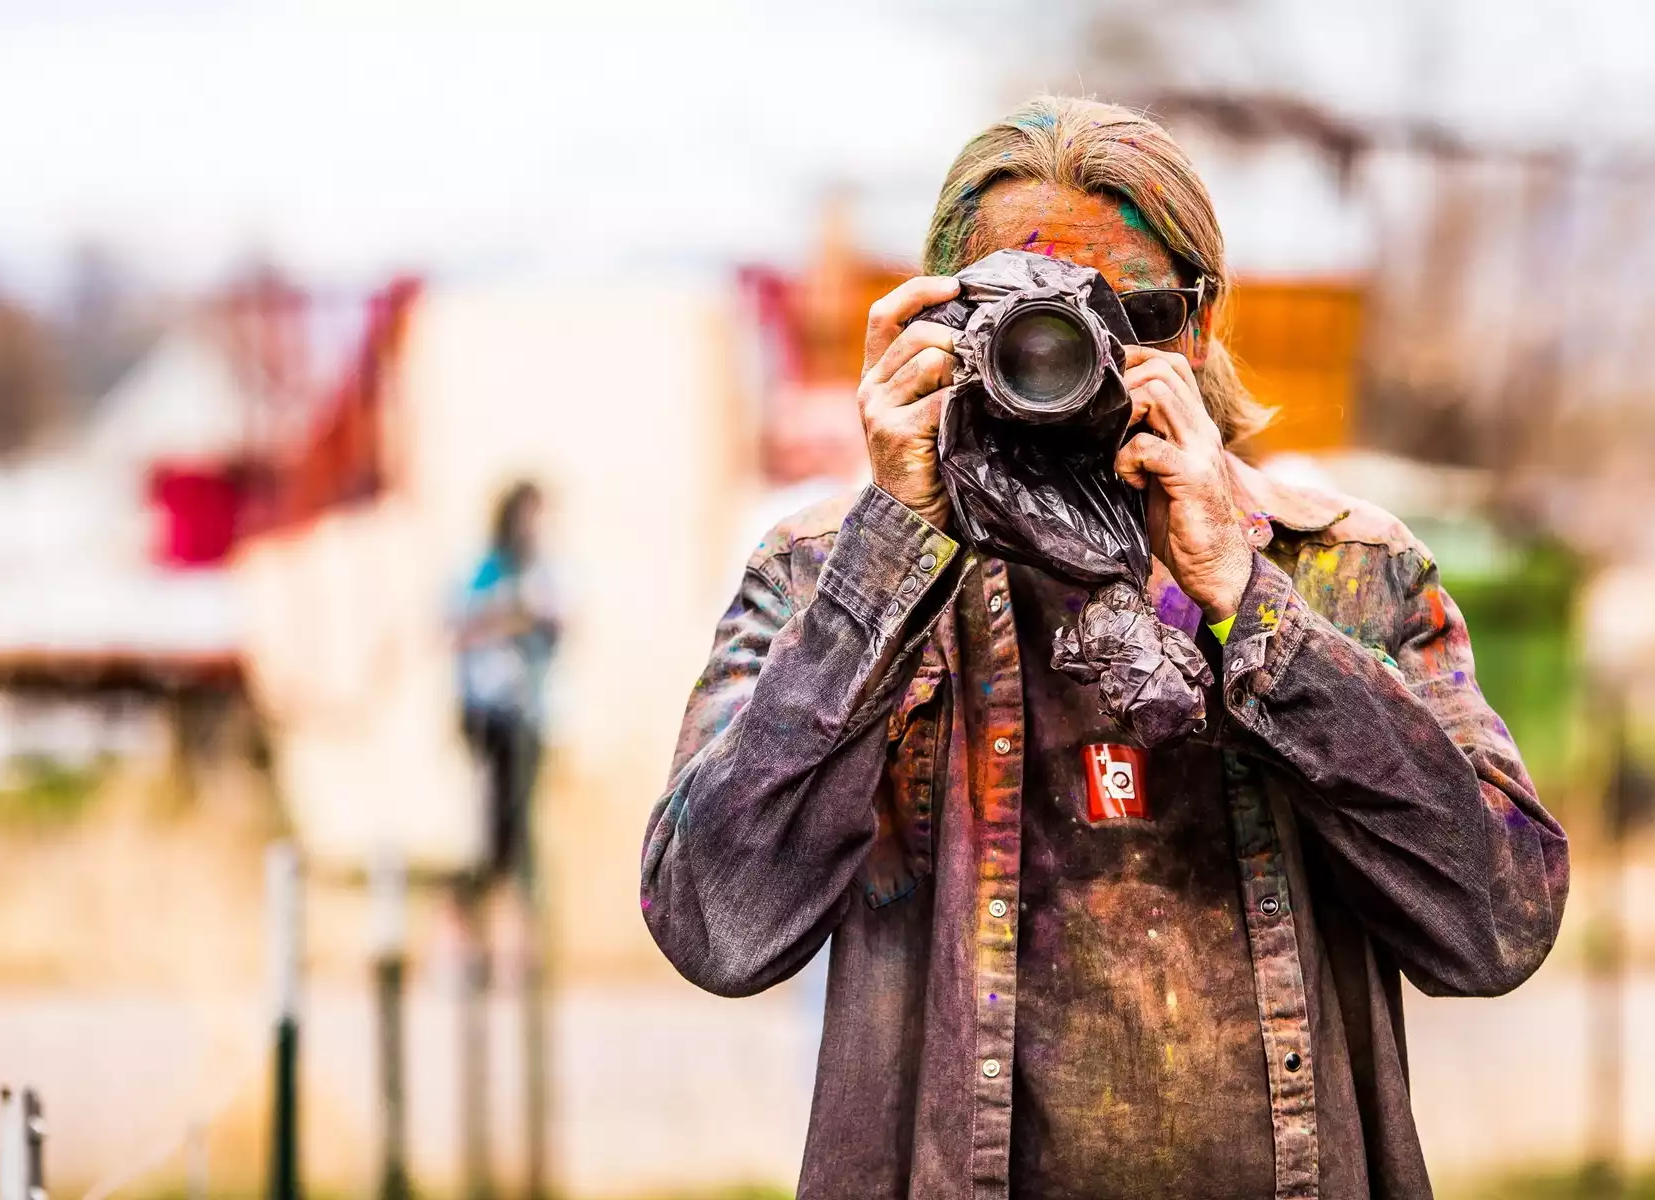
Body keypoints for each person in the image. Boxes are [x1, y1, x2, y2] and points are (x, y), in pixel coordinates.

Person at [642, 96, 1569, 1200]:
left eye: (1130, 314)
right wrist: (891, 551)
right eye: (1027, 314)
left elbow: (1497, 926)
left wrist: (1249, 605)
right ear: (940, 322)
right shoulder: (825, 575)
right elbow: (713, 926)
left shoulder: (1342, 570)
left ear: (1200, 327)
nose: (1074, 354)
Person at [454, 481, 562, 885]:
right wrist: (511, 618)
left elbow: (559, 621)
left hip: (528, 709)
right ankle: (493, 889)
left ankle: (516, 892)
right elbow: (462, 627)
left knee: (522, 814)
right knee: (494, 816)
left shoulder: (543, 570)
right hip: (488, 707)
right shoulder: (488, 569)